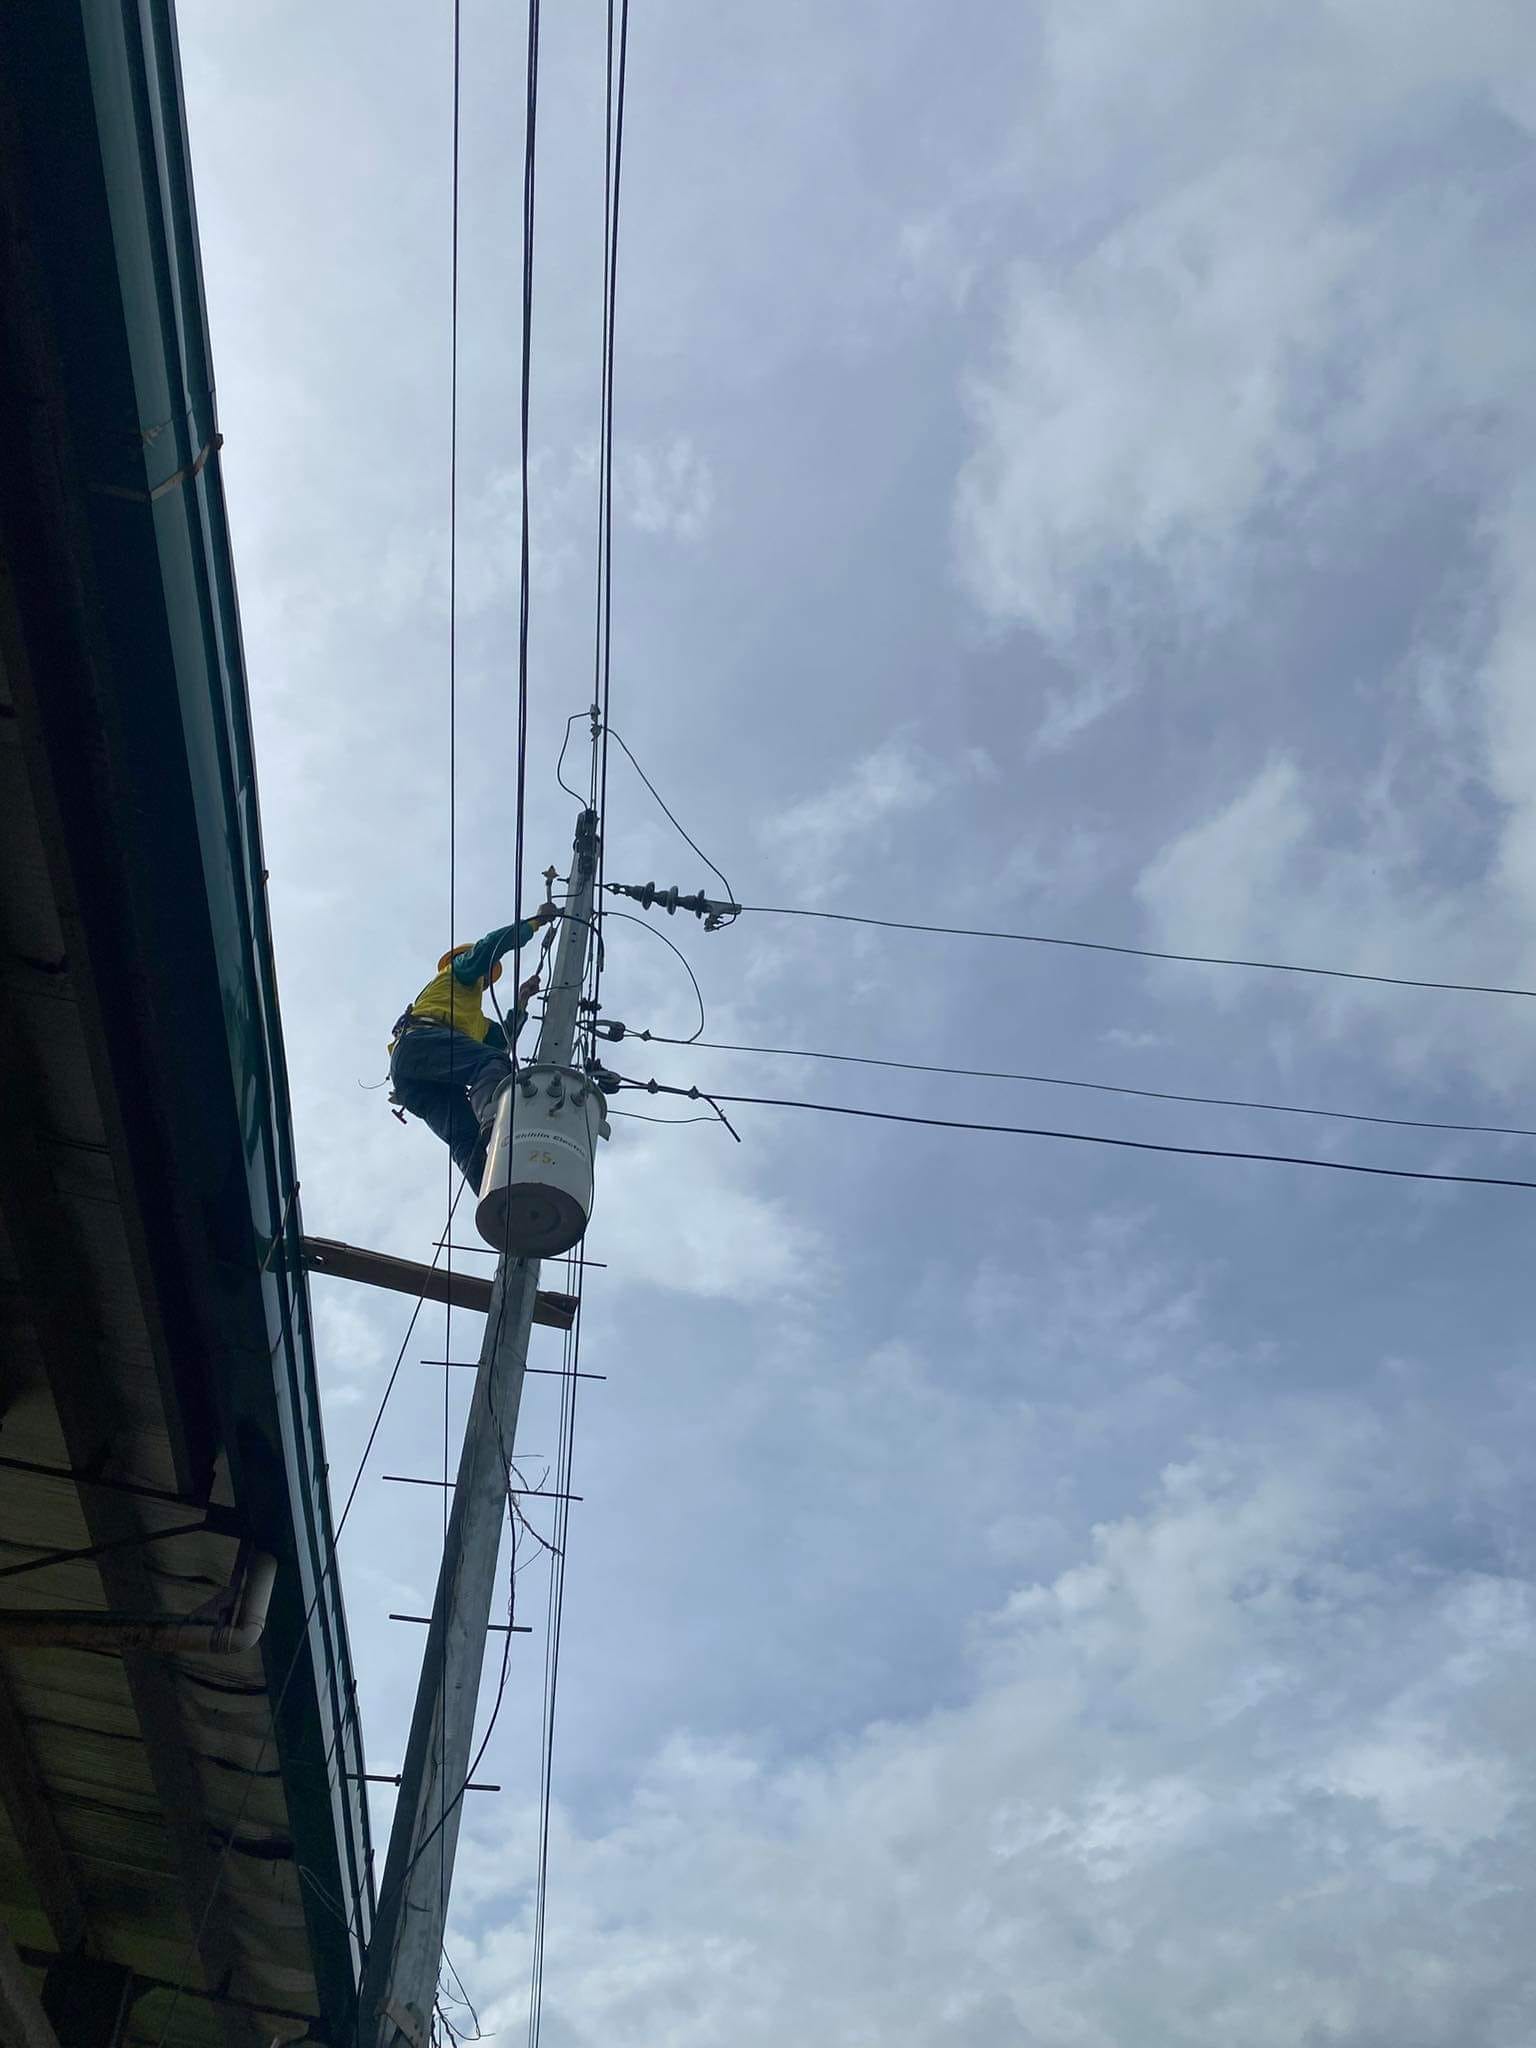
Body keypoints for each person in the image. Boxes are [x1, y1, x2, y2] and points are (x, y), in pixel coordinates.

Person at [388, 903, 558, 1190]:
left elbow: (501, 1042)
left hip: (415, 1078)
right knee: (489, 1063)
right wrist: (535, 923)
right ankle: (494, 1117)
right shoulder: (455, 973)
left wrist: (521, 1002)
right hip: (421, 1044)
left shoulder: (474, 1019)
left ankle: (495, 1198)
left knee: (465, 1137)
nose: (483, 976)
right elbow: (489, 946)